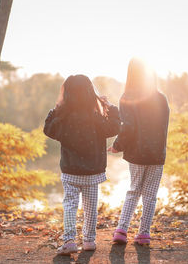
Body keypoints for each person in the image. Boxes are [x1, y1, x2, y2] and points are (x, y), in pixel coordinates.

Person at [43, 74, 120, 255]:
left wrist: (57, 108)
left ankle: (69, 239)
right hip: (92, 172)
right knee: (90, 206)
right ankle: (89, 241)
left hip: (70, 171)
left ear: (67, 95)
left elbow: (48, 129)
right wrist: (111, 107)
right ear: (90, 93)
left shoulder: (64, 118)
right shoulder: (96, 118)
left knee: (70, 204)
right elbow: (115, 127)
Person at [108, 58, 170, 245]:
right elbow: (163, 127)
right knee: (150, 196)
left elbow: (128, 127)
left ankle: (121, 230)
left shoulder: (128, 97)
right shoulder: (161, 98)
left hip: (136, 154)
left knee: (133, 191)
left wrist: (117, 145)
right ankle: (144, 234)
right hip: (157, 155)